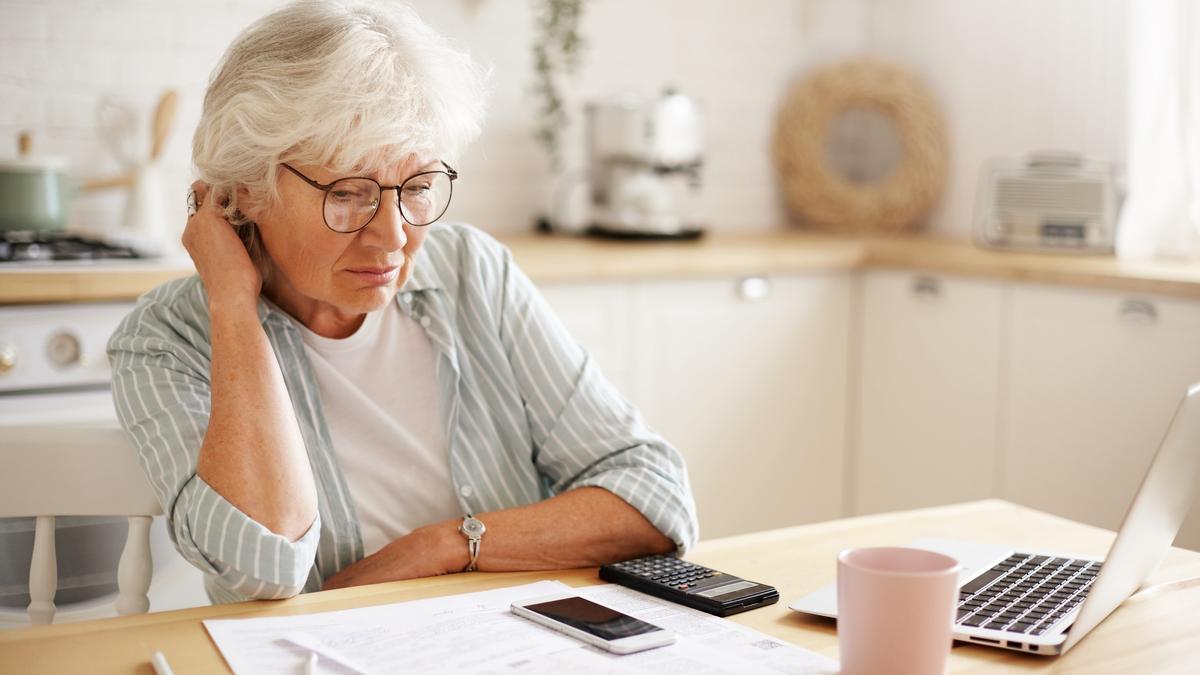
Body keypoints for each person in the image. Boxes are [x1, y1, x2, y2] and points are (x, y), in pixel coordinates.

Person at [107, 0, 697, 604]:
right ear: (247, 190)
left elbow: (654, 499)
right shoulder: (164, 338)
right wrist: (233, 305)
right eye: (348, 193)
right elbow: (263, 567)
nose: (393, 236)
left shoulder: (472, 273)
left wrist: (441, 548)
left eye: (416, 188)